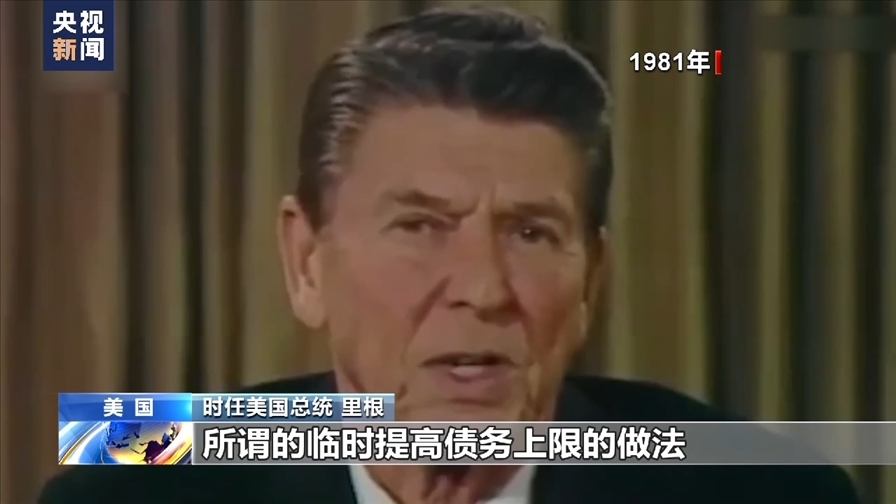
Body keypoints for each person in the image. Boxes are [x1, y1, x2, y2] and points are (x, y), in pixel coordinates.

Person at [40, 7, 861, 504]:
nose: (483, 287)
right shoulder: (132, 488)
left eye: (530, 233)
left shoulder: (766, 492)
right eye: (420, 226)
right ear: (306, 262)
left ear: (592, 280)